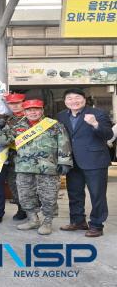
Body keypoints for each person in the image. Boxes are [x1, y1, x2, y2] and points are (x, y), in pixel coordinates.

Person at [0, 99, 72, 235]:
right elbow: (3, 141)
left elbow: (64, 142)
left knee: (49, 196)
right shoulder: (16, 125)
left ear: (42, 110)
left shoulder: (54, 125)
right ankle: (33, 220)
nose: (33, 112)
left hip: (48, 167)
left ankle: (47, 222)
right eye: (29, 110)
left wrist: (65, 161)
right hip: (24, 167)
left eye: (36, 109)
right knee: (25, 195)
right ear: (24, 112)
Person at [57, 88, 113, 237]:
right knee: (74, 193)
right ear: (65, 101)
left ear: (84, 99)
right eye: (69, 98)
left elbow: (109, 134)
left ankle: (96, 225)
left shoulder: (98, 113)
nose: (73, 101)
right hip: (72, 161)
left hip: (95, 161)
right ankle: (78, 221)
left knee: (97, 194)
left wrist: (95, 124)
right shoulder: (61, 116)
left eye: (77, 97)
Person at [3, 92, 27, 220]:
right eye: (11, 104)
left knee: (29, 184)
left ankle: (32, 210)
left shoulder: (33, 117)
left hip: (30, 156)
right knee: (13, 183)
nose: (15, 106)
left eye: (17, 103)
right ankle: (21, 208)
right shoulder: (9, 119)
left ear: (23, 103)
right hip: (13, 155)